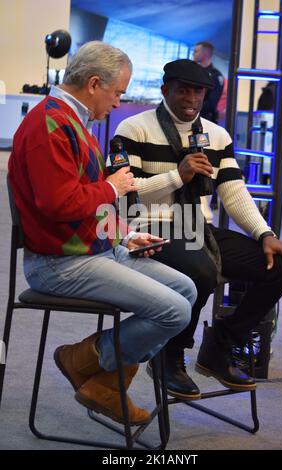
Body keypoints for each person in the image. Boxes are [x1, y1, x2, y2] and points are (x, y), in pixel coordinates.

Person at [8, 43, 197, 425]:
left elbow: (87, 205)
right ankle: (86, 365)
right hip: (58, 263)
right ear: (94, 84)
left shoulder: (71, 121)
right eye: (118, 93)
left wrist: (124, 236)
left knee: (186, 290)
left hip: (90, 251)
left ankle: (100, 380)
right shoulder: (51, 125)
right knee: (173, 311)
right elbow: (59, 205)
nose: (118, 102)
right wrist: (113, 188)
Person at [115, 58, 282, 400]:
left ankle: (221, 345)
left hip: (200, 229)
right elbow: (126, 196)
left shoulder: (216, 136)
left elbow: (233, 192)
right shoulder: (133, 129)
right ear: (165, 90)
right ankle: (170, 355)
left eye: (197, 92)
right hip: (151, 228)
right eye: (183, 90)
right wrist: (178, 176)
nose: (191, 99)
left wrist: (265, 235)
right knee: (200, 269)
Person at [193, 41, 224, 124]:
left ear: (205, 54)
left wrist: (192, 106)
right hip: (189, 118)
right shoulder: (192, 72)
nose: (193, 54)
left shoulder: (216, 76)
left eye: (196, 51)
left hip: (205, 121)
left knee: (200, 138)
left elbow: (211, 104)